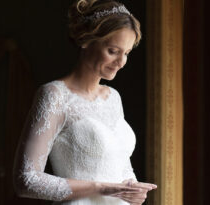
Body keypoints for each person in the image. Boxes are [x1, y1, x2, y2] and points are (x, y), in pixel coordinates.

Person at [12, 0, 157, 204]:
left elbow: (121, 164)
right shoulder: (54, 95)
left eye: (126, 53)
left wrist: (132, 189)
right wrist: (100, 188)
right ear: (85, 40)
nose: (121, 62)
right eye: (113, 51)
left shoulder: (113, 97)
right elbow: (26, 180)